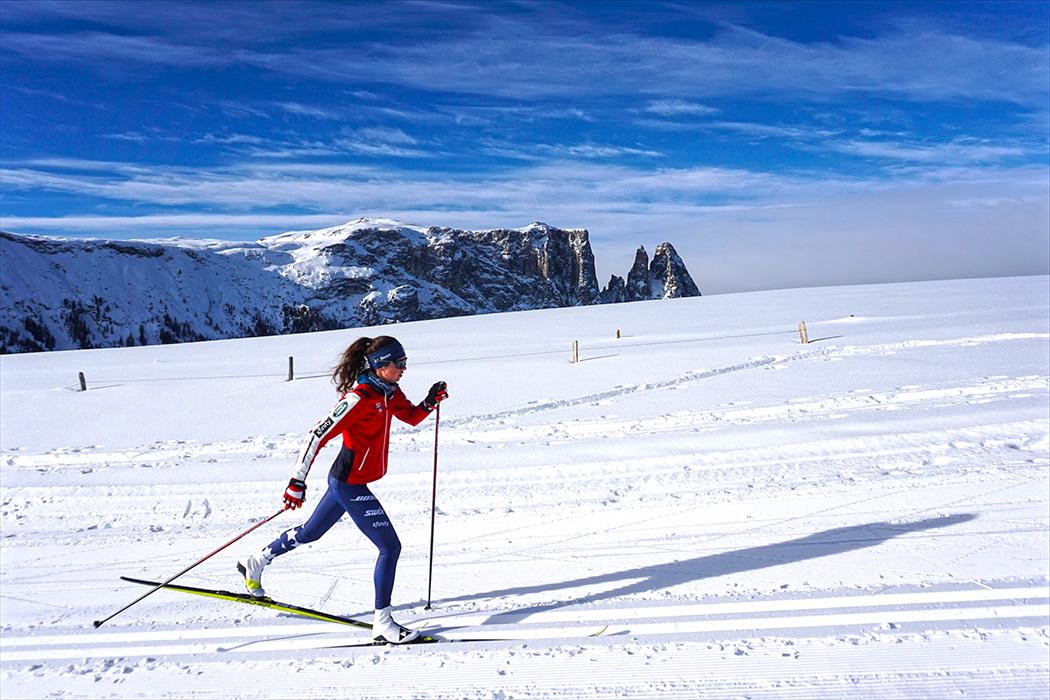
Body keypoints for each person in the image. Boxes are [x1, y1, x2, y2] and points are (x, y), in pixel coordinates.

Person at [237, 336, 448, 644]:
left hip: (346, 482)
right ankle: (384, 624)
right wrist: (297, 481)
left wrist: (430, 402)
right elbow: (316, 435)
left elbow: (412, 418)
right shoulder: (359, 398)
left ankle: (257, 561)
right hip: (350, 483)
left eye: (405, 363)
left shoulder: (389, 392)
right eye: (398, 364)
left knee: (310, 533)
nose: (404, 369)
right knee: (390, 547)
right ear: (380, 366)